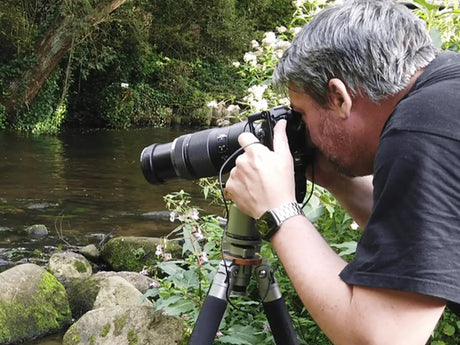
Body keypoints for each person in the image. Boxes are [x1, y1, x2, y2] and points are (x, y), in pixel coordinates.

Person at [224, 0, 460, 344]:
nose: (304, 131)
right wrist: (335, 179)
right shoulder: (445, 89)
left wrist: (277, 210)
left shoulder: (420, 132)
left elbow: (383, 336)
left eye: (302, 115)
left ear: (338, 97)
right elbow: (423, 237)